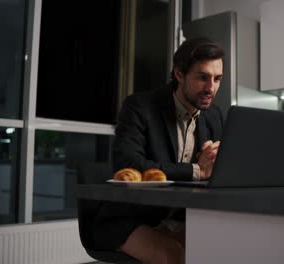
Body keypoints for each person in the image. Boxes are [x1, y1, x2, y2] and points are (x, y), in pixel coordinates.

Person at [92, 37, 225, 264]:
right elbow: (127, 163)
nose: (211, 88)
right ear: (179, 74)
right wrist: (196, 171)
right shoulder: (139, 106)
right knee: (173, 256)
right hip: (129, 218)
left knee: (221, 246)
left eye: (217, 78)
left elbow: (212, 172)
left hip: (182, 216)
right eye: (203, 77)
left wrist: (219, 162)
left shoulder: (213, 116)